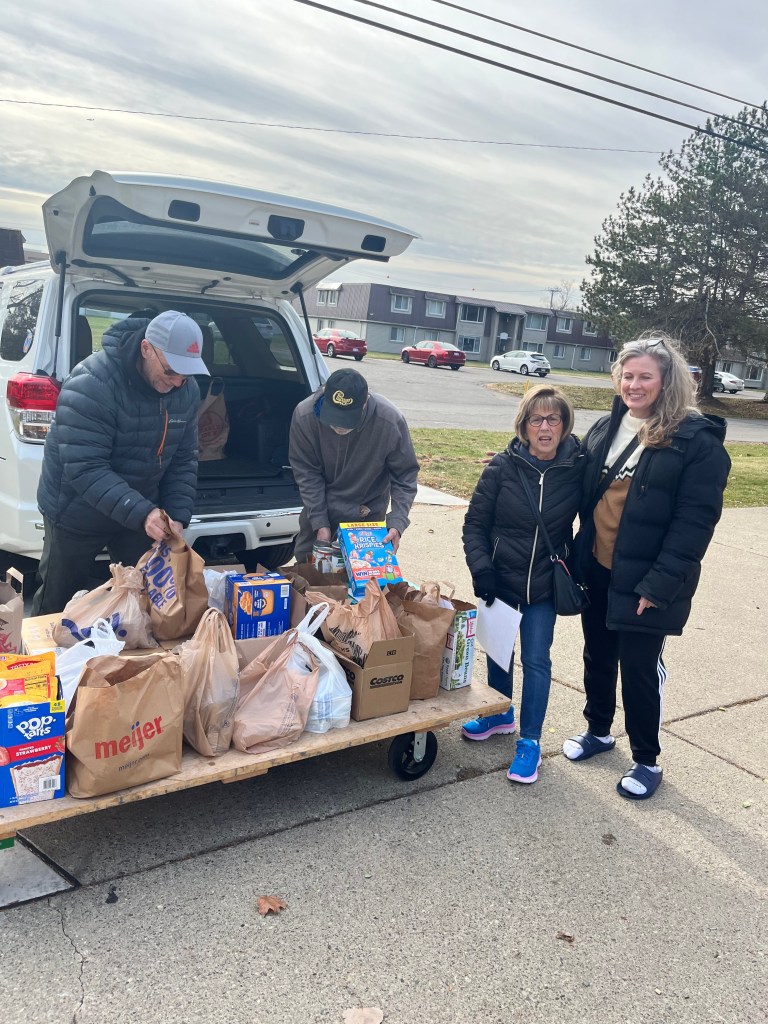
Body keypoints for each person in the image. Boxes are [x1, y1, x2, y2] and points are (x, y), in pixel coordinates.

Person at [563, 335, 731, 800]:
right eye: (627, 375)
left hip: (647, 580)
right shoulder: (605, 427)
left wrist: (658, 586)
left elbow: (694, 525)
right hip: (597, 568)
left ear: (666, 381)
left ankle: (646, 759)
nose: (633, 385)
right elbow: (572, 480)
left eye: (645, 377)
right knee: (597, 656)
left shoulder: (696, 443)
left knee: (639, 669)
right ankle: (598, 731)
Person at [32, 310, 209, 615]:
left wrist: (177, 513)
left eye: (186, 374)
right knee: (58, 603)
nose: (178, 381)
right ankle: (42, 660)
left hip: (138, 507)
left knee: (143, 599)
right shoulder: (91, 382)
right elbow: (85, 467)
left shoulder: (185, 390)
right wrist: (143, 512)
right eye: (170, 371)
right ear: (146, 349)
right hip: (76, 508)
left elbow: (183, 458)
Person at [462, 384, 585, 784]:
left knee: (536, 661)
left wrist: (577, 565)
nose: (545, 427)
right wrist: (482, 570)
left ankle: (530, 742)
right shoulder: (501, 467)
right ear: (524, 425)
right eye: (537, 419)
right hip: (502, 580)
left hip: (545, 588)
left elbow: (597, 519)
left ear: (564, 425)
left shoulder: (577, 468)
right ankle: (499, 713)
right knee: (499, 654)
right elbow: (475, 525)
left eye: (553, 418)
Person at [288, 368, 419, 561]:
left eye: (347, 420)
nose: (340, 426)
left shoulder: (389, 421)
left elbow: (405, 476)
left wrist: (397, 521)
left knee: (364, 581)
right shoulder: (305, 416)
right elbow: (307, 473)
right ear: (325, 394)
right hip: (319, 506)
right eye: (334, 418)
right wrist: (320, 523)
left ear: (365, 402)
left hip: (366, 513)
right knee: (307, 576)